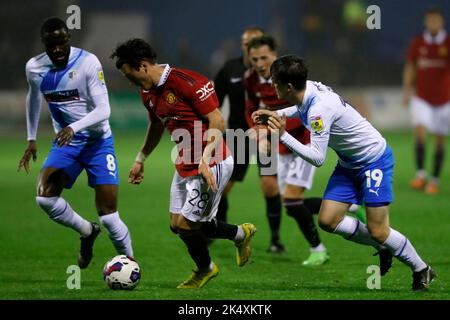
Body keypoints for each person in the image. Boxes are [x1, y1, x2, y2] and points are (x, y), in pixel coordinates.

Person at [253, 55, 436, 291]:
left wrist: (283, 135)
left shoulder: (319, 110)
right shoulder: (308, 88)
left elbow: (318, 158)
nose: (271, 85)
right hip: (349, 164)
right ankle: (383, 246)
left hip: (374, 161)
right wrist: (278, 115)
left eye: (274, 81)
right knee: (328, 220)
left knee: (379, 230)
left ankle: (421, 269)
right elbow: (301, 108)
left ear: (288, 86)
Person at [110, 38, 256, 289]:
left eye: (130, 74)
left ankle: (205, 269)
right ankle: (241, 234)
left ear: (143, 66)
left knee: (187, 226)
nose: (129, 80)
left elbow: (218, 122)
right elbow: (156, 125)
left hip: (213, 162)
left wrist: (205, 159)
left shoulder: (188, 82)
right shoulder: (147, 92)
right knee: (177, 225)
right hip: (185, 164)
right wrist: (140, 159)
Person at [18, 17, 134, 268]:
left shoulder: (88, 62)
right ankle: (86, 231)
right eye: (51, 45)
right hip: (66, 144)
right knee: (45, 198)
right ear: (44, 44)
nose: (57, 49)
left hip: (97, 142)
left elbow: (104, 109)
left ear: (69, 39)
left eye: (61, 42)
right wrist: (31, 138)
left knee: (109, 216)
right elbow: (33, 98)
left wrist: (73, 127)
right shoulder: (35, 68)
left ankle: (131, 263)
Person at [245, 35, 328, 264]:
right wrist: (258, 129)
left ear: (275, 55)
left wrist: (270, 130)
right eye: (254, 59)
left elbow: (303, 112)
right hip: (278, 146)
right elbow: (251, 108)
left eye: (264, 57)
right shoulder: (250, 80)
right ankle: (349, 206)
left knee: (291, 200)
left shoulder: (287, 76)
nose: (260, 63)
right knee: (290, 204)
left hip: (303, 143)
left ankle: (318, 249)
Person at [213, 26, 264, 224]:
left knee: (270, 186)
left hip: (267, 135)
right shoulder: (230, 69)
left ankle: (276, 240)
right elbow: (213, 101)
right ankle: (218, 225)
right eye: (247, 43)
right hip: (237, 135)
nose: (251, 47)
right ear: (242, 45)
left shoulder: (273, 70)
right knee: (223, 185)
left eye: (257, 42)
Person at [403, 8, 450, 195]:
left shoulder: (447, 43)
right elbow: (410, 67)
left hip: (444, 100)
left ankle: (434, 181)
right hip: (421, 97)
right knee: (420, 133)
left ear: (442, 22)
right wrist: (407, 91)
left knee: (439, 141)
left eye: (436, 21)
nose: (433, 24)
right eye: (430, 21)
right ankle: (421, 175)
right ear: (426, 22)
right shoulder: (418, 42)